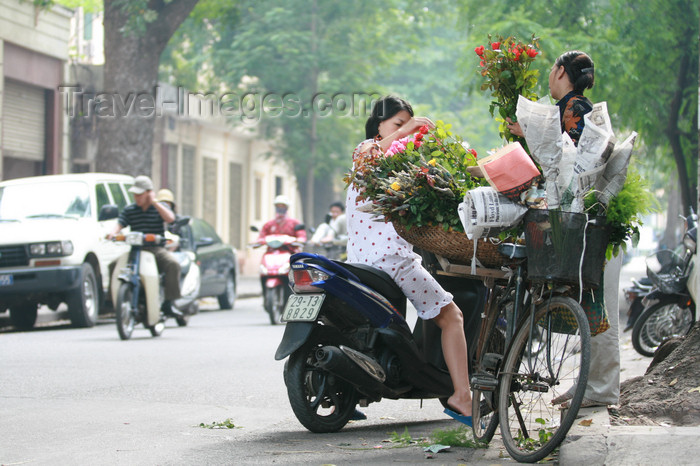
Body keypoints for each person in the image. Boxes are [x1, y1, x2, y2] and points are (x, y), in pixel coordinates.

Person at [346, 95, 473, 423]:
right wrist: (413, 128)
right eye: (397, 124)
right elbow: (372, 154)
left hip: (364, 263)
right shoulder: (367, 151)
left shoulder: (399, 170)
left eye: (407, 124)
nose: (404, 131)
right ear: (378, 126)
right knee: (452, 317)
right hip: (391, 261)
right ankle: (462, 396)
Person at [508, 51, 622, 409]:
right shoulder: (577, 107)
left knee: (599, 307)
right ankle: (589, 386)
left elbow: (566, 162)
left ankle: (601, 389)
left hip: (587, 226)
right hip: (584, 224)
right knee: (590, 305)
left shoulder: (572, 110)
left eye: (551, 70)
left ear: (560, 71)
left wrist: (528, 132)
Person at [108, 176, 182, 317]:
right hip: (136, 250)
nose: (137, 197)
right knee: (113, 266)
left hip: (156, 250)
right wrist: (112, 233)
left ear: (148, 193)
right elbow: (120, 223)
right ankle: (116, 303)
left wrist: (155, 202)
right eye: (135, 194)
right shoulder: (130, 210)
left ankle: (169, 303)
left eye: (140, 194)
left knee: (173, 264)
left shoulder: (159, 208)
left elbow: (170, 218)